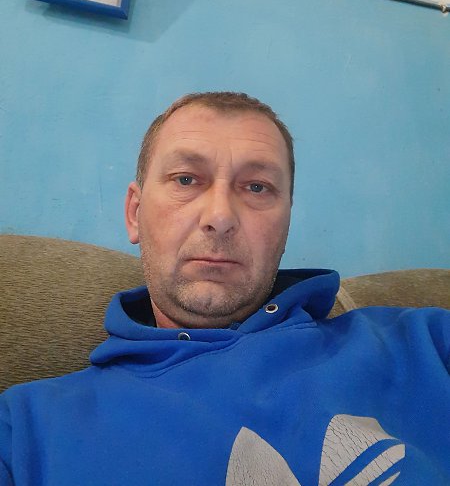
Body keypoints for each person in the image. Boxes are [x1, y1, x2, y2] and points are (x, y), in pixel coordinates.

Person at [0, 91, 448, 485]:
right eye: (186, 179)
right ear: (135, 213)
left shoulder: (424, 344)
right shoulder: (24, 430)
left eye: (256, 187)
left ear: (286, 222)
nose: (220, 216)